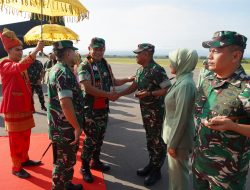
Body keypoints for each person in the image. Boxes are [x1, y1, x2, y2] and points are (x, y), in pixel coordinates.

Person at [192, 31, 250, 190]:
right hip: (199, 164)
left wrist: (234, 127)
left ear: (235, 56)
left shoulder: (246, 88)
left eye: (216, 51)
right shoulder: (208, 81)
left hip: (226, 176)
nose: (209, 56)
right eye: (209, 51)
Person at [77, 37, 134, 183]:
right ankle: (84, 167)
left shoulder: (104, 64)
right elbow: (87, 88)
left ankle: (95, 161)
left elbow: (113, 81)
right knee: (90, 140)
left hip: (103, 108)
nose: (98, 52)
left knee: (100, 137)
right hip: (90, 111)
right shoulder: (85, 65)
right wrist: (109, 95)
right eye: (95, 49)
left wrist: (128, 79)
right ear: (89, 48)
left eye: (101, 49)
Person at [118, 43, 171, 186]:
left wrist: (149, 93)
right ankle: (151, 164)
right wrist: (119, 94)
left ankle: (157, 170)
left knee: (158, 142)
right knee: (150, 139)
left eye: (138, 53)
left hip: (157, 113)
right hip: (146, 112)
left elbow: (167, 89)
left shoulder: (157, 70)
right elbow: (134, 86)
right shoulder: (141, 70)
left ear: (147, 54)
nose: (136, 56)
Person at [0, 28, 44, 179]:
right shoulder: (5, 64)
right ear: (9, 51)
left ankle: (24, 160)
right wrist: (37, 49)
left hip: (25, 108)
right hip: (13, 109)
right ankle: (16, 167)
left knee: (26, 136)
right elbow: (20, 67)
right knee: (15, 141)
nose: (20, 52)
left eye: (21, 50)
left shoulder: (19, 63)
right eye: (18, 50)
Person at [47, 40, 84, 190]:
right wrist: (76, 127)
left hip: (61, 125)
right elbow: (65, 103)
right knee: (63, 161)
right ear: (68, 52)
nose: (75, 54)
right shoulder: (62, 72)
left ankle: (66, 184)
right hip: (65, 127)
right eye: (73, 51)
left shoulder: (57, 69)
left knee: (67, 160)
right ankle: (58, 187)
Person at [162, 48, 198, 190]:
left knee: (179, 179)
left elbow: (181, 117)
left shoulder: (186, 85)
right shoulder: (181, 80)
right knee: (175, 175)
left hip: (178, 141)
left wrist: (173, 144)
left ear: (182, 62)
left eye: (173, 61)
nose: (170, 64)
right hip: (176, 138)